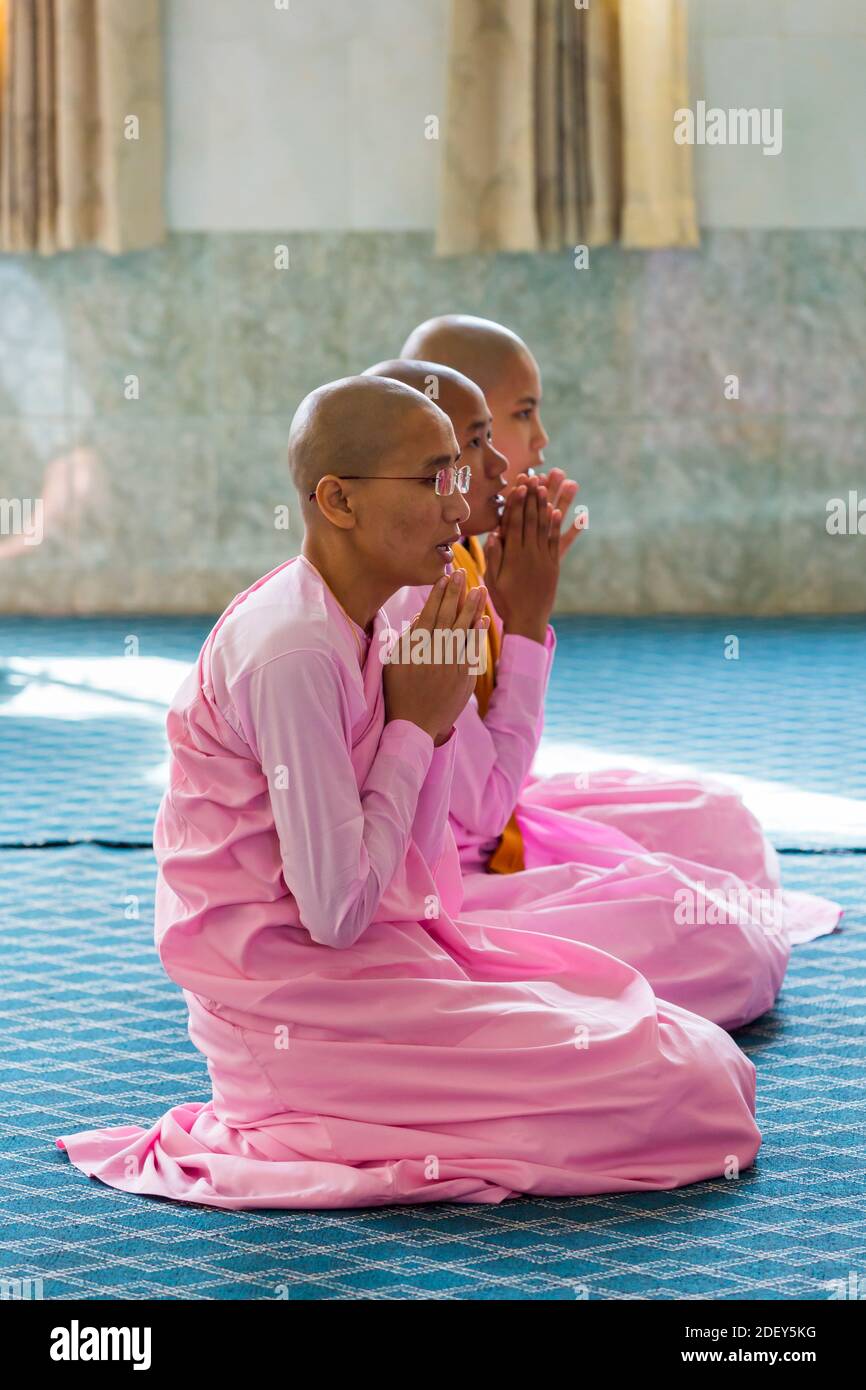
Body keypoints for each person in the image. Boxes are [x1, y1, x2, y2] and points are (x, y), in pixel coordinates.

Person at [57, 376, 762, 1210]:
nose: (458, 513)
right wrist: (415, 730)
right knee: (691, 1087)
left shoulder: (386, 618)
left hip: (384, 956)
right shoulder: (291, 652)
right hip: (293, 1006)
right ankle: (305, 1111)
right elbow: (334, 910)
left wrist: (430, 721)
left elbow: (421, 868)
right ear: (337, 500)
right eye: (435, 482)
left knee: (694, 1052)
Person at [388, 317, 841, 939]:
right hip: (455, 873)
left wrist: (507, 596)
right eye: (503, 424)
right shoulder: (414, 592)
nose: (536, 443)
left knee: (726, 825)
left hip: (496, 824)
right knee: (724, 941)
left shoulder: (461, 551)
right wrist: (526, 623)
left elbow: (493, 767)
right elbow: (486, 806)